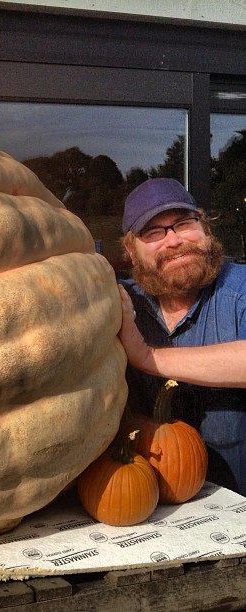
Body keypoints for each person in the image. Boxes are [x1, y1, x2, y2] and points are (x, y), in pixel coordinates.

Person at [117, 177, 246, 496]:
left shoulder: (240, 289)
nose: (173, 241)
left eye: (183, 223)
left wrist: (148, 357)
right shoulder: (120, 304)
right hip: (141, 505)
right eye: (153, 232)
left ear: (205, 229)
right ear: (131, 252)